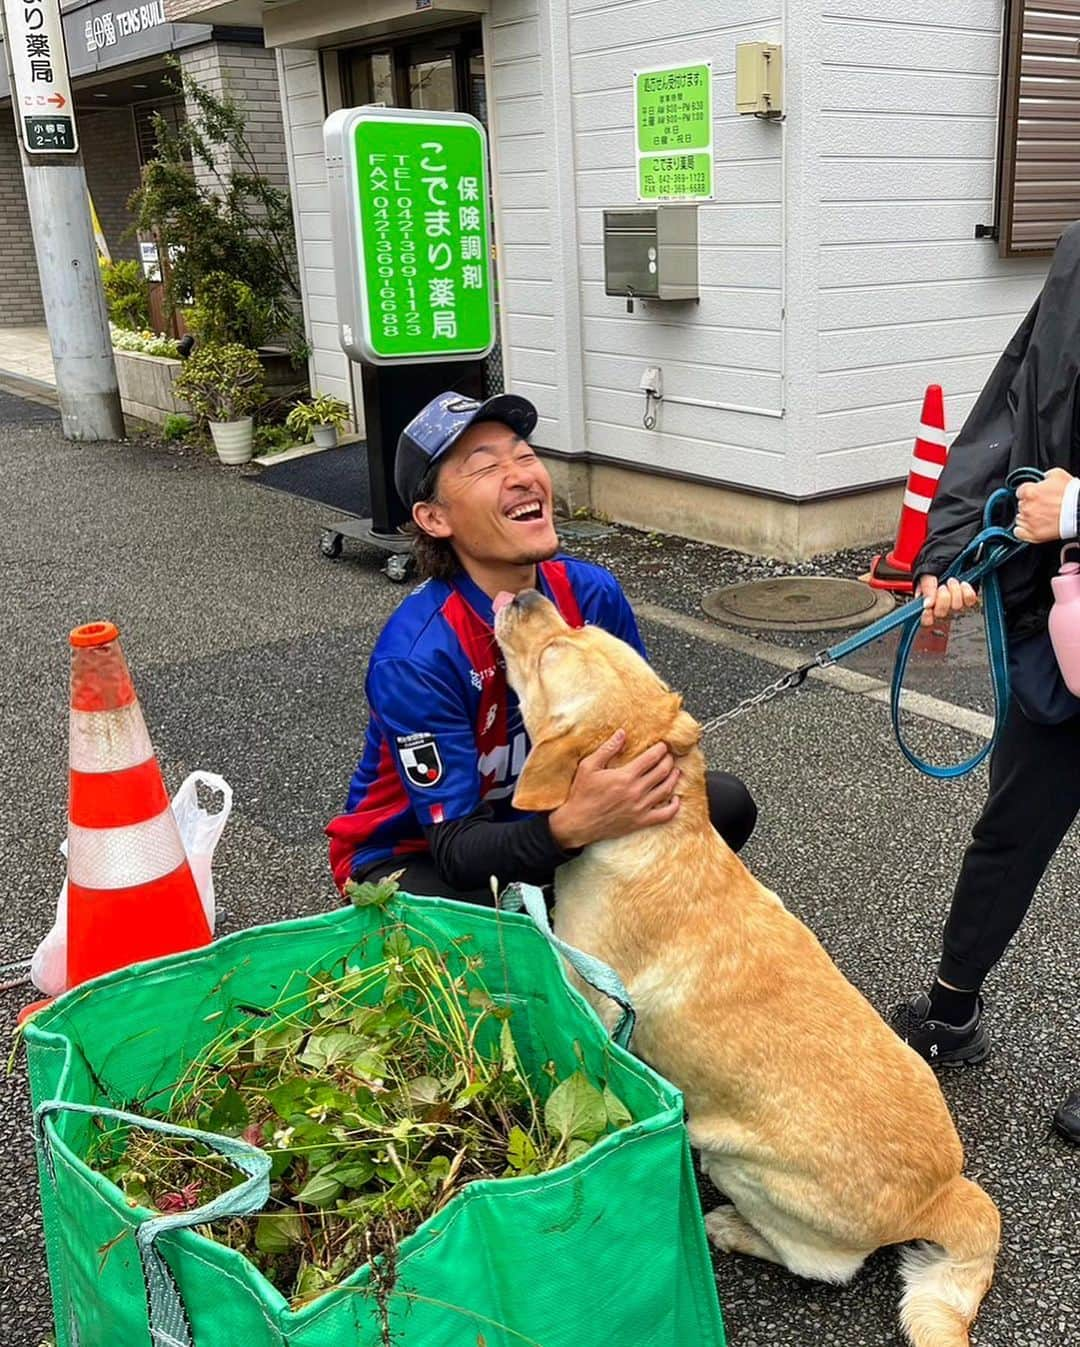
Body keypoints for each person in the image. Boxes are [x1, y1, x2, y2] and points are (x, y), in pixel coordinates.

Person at [327, 390, 757, 909]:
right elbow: (457, 850)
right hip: (416, 854)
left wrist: (635, 790)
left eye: (525, 455)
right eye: (484, 467)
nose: (521, 475)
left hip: (550, 811)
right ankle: (548, 912)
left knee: (726, 804)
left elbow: (642, 734)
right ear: (434, 519)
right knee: (436, 916)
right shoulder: (418, 657)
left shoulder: (592, 593)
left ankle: (557, 909)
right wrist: (568, 830)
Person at [890, 222, 1080, 1145]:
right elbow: (1000, 423)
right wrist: (946, 555)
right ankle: (950, 1007)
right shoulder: (1077, 259)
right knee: (1010, 827)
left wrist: (1079, 508)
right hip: (1061, 629)